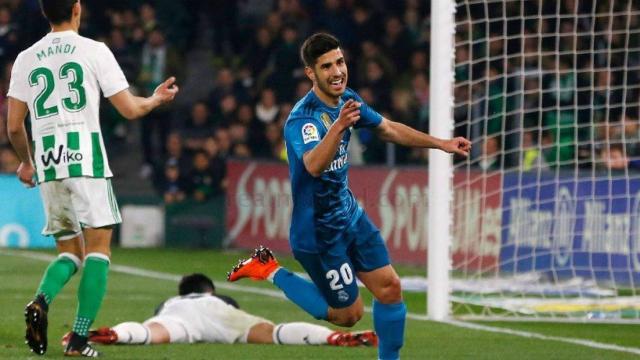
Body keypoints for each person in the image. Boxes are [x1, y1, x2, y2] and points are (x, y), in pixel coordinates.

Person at [227, 33, 471, 360]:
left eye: (339, 62)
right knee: (348, 316)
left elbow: (387, 128)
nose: (337, 71)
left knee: (390, 288)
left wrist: (440, 143)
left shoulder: (348, 100)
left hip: (350, 215)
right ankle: (269, 269)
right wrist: (339, 127)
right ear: (311, 73)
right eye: (326, 66)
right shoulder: (304, 119)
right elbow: (313, 164)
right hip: (318, 234)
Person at [7, 0, 178, 357]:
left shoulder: (25, 57)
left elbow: (13, 126)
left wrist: (27, 162)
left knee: (70, 252)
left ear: (43, 12)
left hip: (49, 163)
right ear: (77, 9)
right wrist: (156, 99)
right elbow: (130, 109)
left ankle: (41, 299)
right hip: (87, 161)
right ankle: (80, 339)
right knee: (98, 251)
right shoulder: (94, 50)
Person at [61, 273, 377, 348]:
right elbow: (230, 306)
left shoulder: (171, 302)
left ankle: (116, 333)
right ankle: (332, 337)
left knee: (152, 333)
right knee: (273, 333)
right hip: (219, 316)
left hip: (176, 316)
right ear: (208, 289)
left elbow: (160, 313)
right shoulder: (217, 298)